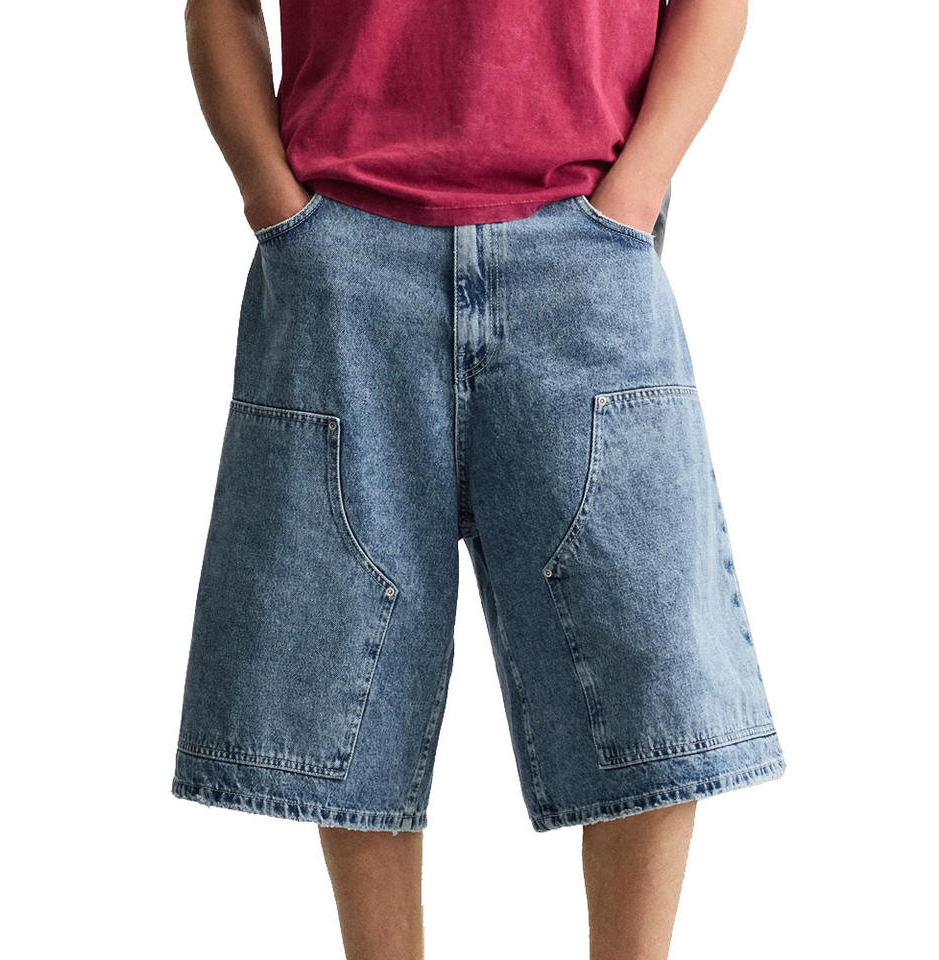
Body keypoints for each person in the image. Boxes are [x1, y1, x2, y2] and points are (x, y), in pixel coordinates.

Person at [172, 1, 785, 957]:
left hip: (584, 252)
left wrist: (634, 195)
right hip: (347, 254)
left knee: (650, 674)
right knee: (344, 671)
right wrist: (273, 204)